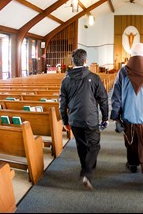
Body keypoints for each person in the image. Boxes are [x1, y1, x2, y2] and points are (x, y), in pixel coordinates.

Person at [110, 42, 143, 188]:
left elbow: (116, 96)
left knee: (131, 141)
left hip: (129, 114)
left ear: (131, 54)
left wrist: (116, 116)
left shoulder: (122, 72)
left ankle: (133, 164)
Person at [59, 48, 109, 191]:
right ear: (85, 61)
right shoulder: (94, 78)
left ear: (73, 62)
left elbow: (62, 103)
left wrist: (65, 121)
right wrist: (105, 117)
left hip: (75, 120)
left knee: (81, 145)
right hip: (90, 119)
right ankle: (87, 172)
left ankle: (85, 168)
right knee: (94, 146)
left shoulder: (66, 79)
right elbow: (103, 99)